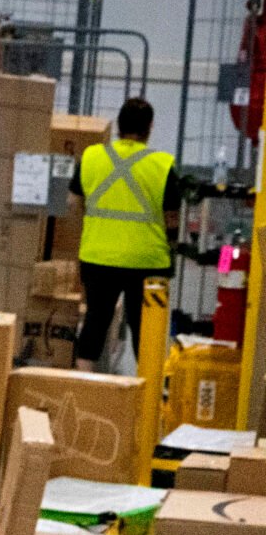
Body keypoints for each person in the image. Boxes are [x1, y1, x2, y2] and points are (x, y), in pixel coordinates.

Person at [70, 96, 184, 367]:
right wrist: (173, 245)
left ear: (119, 125)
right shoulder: (162, 165)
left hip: (98, 257)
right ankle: (146, 398)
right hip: (147, 262)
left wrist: (85, 235)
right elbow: (172, 216)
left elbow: (73, 202)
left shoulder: (92, 157)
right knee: (146, 333)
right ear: (149, 127)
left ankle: (81, 390)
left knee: (95, 324)